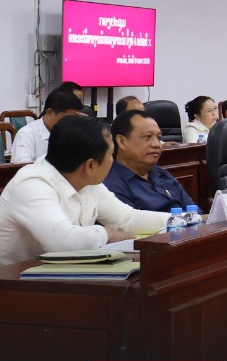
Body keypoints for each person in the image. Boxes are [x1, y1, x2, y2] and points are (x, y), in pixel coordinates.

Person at [0, 114, 169, 265]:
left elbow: (127, 219)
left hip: (57, 274)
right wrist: (107, 234)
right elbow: (64, 242)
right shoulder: (32, 185)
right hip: (13, 280)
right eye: (111, 155)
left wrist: (177, 220)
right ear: (91, 165)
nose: (113, 161)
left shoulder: (87, 181)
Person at [104, 109, 197, 213]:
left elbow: (195, 213)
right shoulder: (111, 184)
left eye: (159, 138)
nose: (157, 144)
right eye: (147, 137)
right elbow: (130, 222)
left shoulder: (162, 174)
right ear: (122, 142)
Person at [9, 89, 85, 164]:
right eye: (68, 118)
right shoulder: (26, 134)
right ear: (50, 112)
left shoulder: (70, 134)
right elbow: (23, 169)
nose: (70, 122)